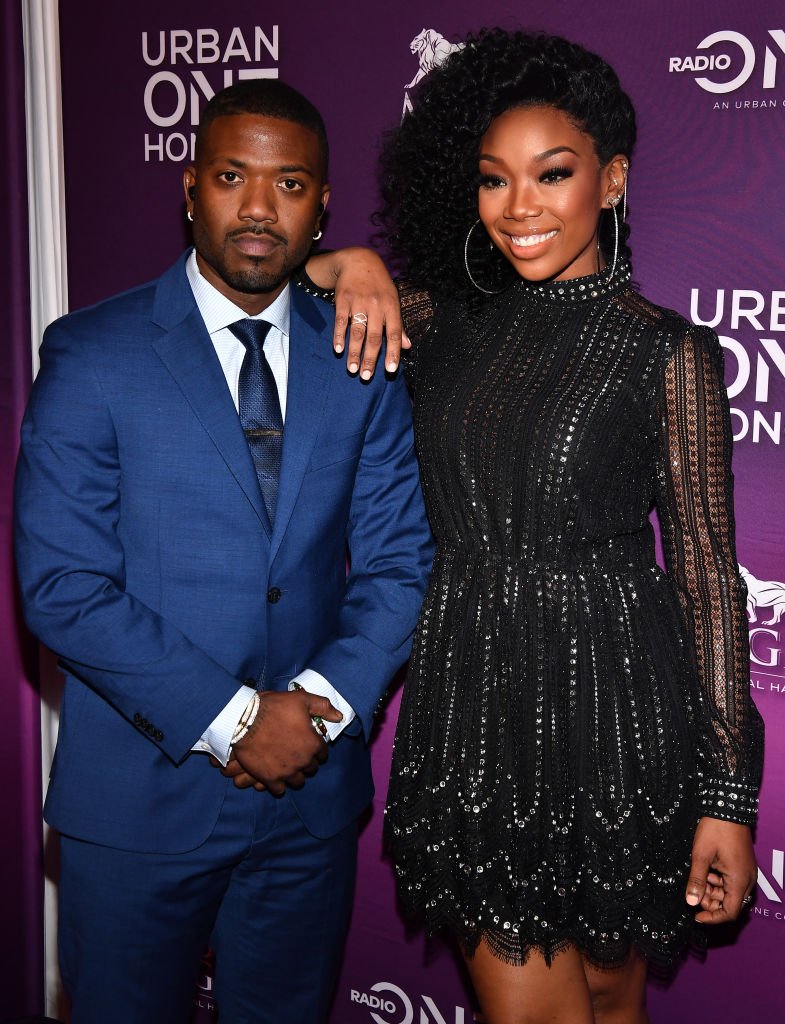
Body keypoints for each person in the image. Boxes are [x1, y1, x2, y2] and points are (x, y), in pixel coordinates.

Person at [303, 29, 764, 1024]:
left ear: (610, 179)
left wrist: (727, 793)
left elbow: (702, 578)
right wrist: (351, 263)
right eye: (492, 179)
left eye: (550, 174)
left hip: (620, 713)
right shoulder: (440, 320)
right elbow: (283, 289)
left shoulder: (665, 352)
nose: (518, 208)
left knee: (606, 1000)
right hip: (476, 707)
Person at [14, 79, 433, 1024]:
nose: (257, 207)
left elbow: (401, 562)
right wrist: (239, 718)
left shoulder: (361, 354)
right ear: (192, 186)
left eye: (289, 184)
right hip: (136, 806)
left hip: (308, 807)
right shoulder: (93, 352)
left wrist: (316, 711)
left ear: (322, 207)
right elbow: (62, 584)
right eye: (233, 176)